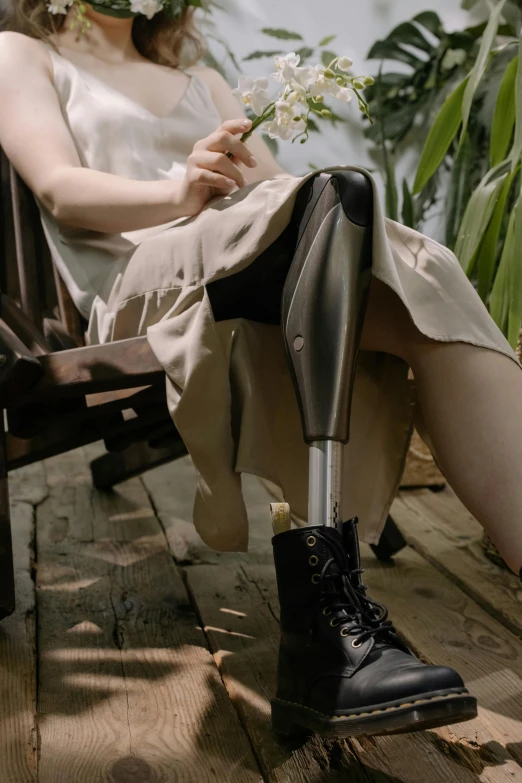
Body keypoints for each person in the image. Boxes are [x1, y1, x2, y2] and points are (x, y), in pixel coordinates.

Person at [0, 0, 520, 739]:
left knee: (414, 279)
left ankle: (332, 653)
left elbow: (279, 192)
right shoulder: (26, 56)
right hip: (141, 281)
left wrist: (289, 198)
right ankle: (326, 633)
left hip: (245, 262)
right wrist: (180, 191)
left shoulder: (200, 78)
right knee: (351, 217)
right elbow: (61, 188)